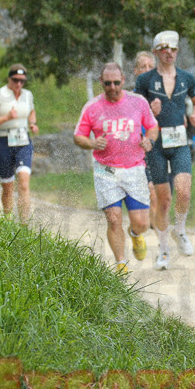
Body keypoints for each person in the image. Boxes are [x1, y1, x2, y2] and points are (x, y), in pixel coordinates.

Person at [74, 63, 159, 275]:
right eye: (108, 83)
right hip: (106, 171)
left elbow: (152, 126)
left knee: (142, 223)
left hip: (134, 169)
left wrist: (149, 140)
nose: (112, 87)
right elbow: (79, 136)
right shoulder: (92, 107)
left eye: (116, 82)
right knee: (113, 219)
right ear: (101, 82)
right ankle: (121, 264)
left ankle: (135, 234)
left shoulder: (137, 102)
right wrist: (92, 143)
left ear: (123, 79)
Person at [134, 30, 195, 271]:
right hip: (156, 145)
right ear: (156, 52)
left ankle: (180, 230)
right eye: (164, 49)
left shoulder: (187, 78)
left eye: (173, 49)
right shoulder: (144, 81)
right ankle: (163, 250)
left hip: (179, 142)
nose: (169, 53)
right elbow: (135, 111)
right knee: (163, 201)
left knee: (183, 191)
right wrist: (150, 110)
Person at [0, 64, 38, 222]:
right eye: (15, 80)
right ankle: (8, 220)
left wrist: (32, 123)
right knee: (8, 187)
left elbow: (32, 111)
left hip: (23, 141)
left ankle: (24, 226)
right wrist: (6, 118)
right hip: (4, 143)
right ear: (9, 78)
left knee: (24, 183)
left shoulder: (28, 95)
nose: (19, 84)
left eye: (22, 81)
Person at [132, 51, 158, 227]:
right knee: (149, 192)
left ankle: (159, 240)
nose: (147, 70)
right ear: (135, 71)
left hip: (159, 148)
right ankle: (141, 229)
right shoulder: (132, 98)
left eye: (151, 67)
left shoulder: (161, 94)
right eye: (143, 67)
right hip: (137, 151)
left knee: (159, 194)